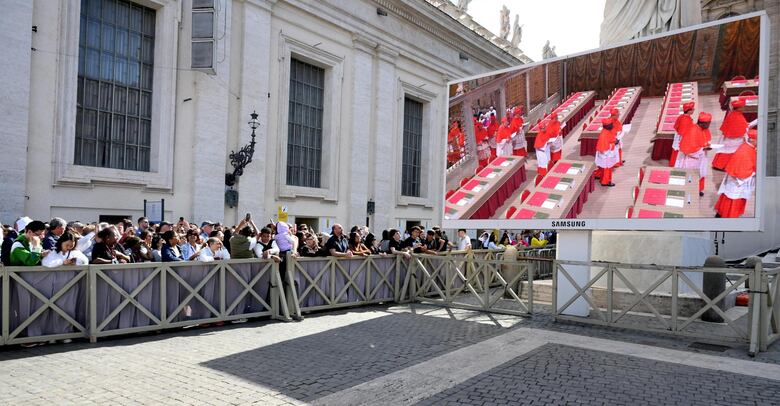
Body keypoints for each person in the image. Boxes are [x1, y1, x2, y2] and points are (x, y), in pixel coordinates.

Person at [715, 128, 757, 218]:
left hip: (735, 177)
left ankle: (722, 212)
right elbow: (743, 171)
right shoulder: (746, 151)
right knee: (734, 200)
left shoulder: (747, 146)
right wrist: (753, 173)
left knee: (728, 197)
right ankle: (731, 217)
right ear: (753, 140)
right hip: (738, 181)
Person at [676, 112, 712, 196]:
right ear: (702, 123)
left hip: (701, 157)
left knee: (701, 173)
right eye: (708, 123)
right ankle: (689, 192)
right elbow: (689, 150)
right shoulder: (692, 131)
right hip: (691, 159)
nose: (709, 125)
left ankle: (698, 189)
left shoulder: (703, 129)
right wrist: (703, 148)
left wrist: (707, 145)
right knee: (691, 176)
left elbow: (704, 140)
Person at [712, 98, 750, 171]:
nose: (744, 108)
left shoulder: (732, 113)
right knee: (731, 151)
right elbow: (741, 128)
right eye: (742, 107)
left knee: (725, 150)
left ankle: (719, 164)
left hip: (728, 137)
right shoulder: (737, 116)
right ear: (739, 108)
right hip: (734, 139)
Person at [594, 118, 618, 187]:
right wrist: (614, 144)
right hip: (605, 155)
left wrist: (614, 141)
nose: (612, 125)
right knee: (607, 169)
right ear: (607, 126)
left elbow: (610, 140)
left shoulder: (606, 131)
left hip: (605, 155)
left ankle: (601, 178)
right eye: (611, 124)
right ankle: (605, 182)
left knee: (604, 168)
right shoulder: (604, 135)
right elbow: (604, 149)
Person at [670, 102, 695, 167]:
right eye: (692, 109)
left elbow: (676, 127)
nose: (693, 110)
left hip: (680, 137)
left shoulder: (681, 116)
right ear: (689, 111)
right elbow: (683, 133)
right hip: (682, 139)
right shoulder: (685, 120)